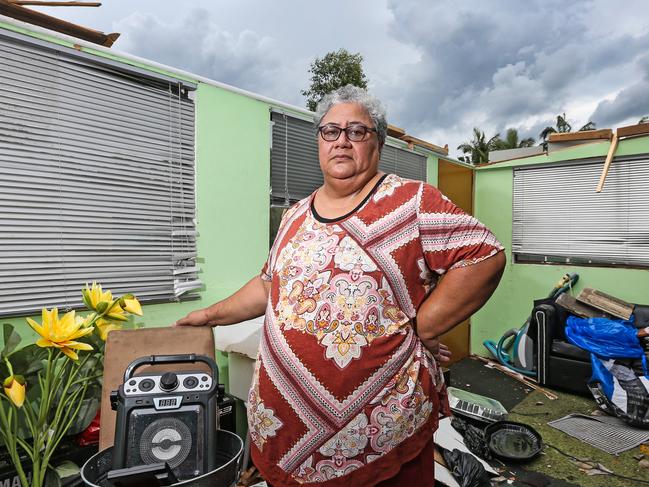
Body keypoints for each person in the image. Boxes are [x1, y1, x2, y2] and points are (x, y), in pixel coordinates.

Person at [176, 84, 505, 486]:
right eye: (330, 131)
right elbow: (268, 285)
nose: (342, 142)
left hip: (378, 423)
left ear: (378, 142)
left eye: (357, 131)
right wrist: (209, 315)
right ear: (319, 141)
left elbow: (483, 256)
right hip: (286, 422)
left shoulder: (412, 201)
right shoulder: (295, 214)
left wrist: (427, 325)